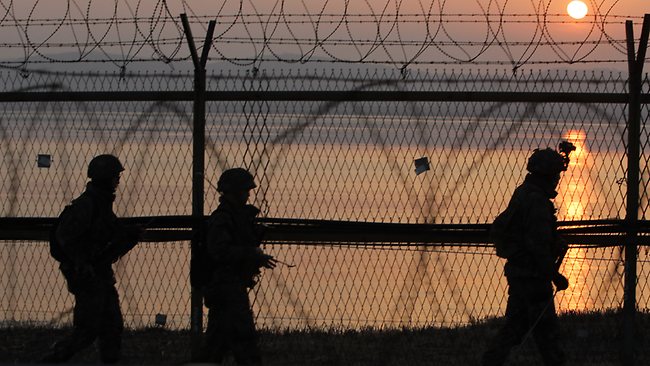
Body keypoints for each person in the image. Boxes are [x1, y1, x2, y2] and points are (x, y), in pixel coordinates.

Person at [42, 154, 142, 364]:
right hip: (88, 275)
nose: (118, 180)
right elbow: (65, 237)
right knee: (88, 329)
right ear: (105, 178)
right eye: (115, 176)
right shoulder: (87, 205)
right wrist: (82, 262)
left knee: (112, 326)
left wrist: (129, 237)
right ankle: (53, 359)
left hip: (99, 274)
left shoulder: (101, 205)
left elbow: (111, 243)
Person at [482, 146, 572, 366]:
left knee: (515, 327)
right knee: (547, 334)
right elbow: (537, 246)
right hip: (533, 277)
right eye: (555, 174)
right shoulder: (537, 202)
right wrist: (555, 276)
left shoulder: (524, 192)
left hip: (521, 273)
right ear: (548, 175)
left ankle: (491, 361)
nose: (557, 179)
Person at [199, 167, 277, 365]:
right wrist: (251, 254)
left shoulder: (235, 217)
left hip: (229, 286)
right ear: (234, 192)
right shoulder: (223, 218)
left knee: (216, 344)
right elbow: (221, 252)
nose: (248, 194)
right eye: (245, 190)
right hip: (226, 287)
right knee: (244, 342)